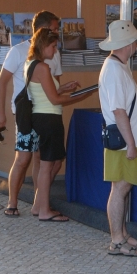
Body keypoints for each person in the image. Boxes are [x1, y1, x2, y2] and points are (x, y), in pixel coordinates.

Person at [0, 10, 68, 217]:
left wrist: (62, 92)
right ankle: (12, 202)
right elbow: (2, 82)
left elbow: (54, 85)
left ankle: (39, 202)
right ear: (42, 29)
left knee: (42, 159)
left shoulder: (54, 52)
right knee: (23, 158)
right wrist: (1, 112)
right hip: (26, 113)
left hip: (46, 113)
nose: (57, 33)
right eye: (53, 29)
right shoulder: (18, 51)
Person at [26, 27, 94, 221]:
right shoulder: (43, 67)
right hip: (49, 119)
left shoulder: (31, 64)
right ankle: (44, 210)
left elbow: (44, 91)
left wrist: (65, 87)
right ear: (43, 45)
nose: (55, 51)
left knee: (48, 163)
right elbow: (55, 99)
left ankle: (39, 206)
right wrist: (80, 95)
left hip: (40, 117)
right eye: (53, 46)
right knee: (48, 166)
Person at [98, 20, 137, 256]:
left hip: (131, 140)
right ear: (128, 44)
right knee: (120, 189)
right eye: (135, 41)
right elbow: (119, 112)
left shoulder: (117, 67)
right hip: (125, 142)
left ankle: (123, 235)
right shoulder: (114, 70)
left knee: (122, 188)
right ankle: (117, 240)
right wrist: (131, 144)